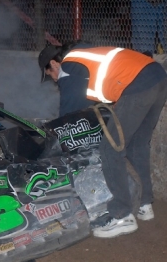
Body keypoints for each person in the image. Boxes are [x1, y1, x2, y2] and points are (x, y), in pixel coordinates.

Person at [38, 42, 167, 238]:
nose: (55, 81)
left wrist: (53, 136)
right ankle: (144, 204)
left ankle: (122, 215)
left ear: (54, 64)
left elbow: (68, 117)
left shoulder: (68, 67)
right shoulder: (84, 56)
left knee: (109, 149)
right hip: (157, 77)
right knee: (136, 145)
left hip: (137, 85)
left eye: (50, 75)